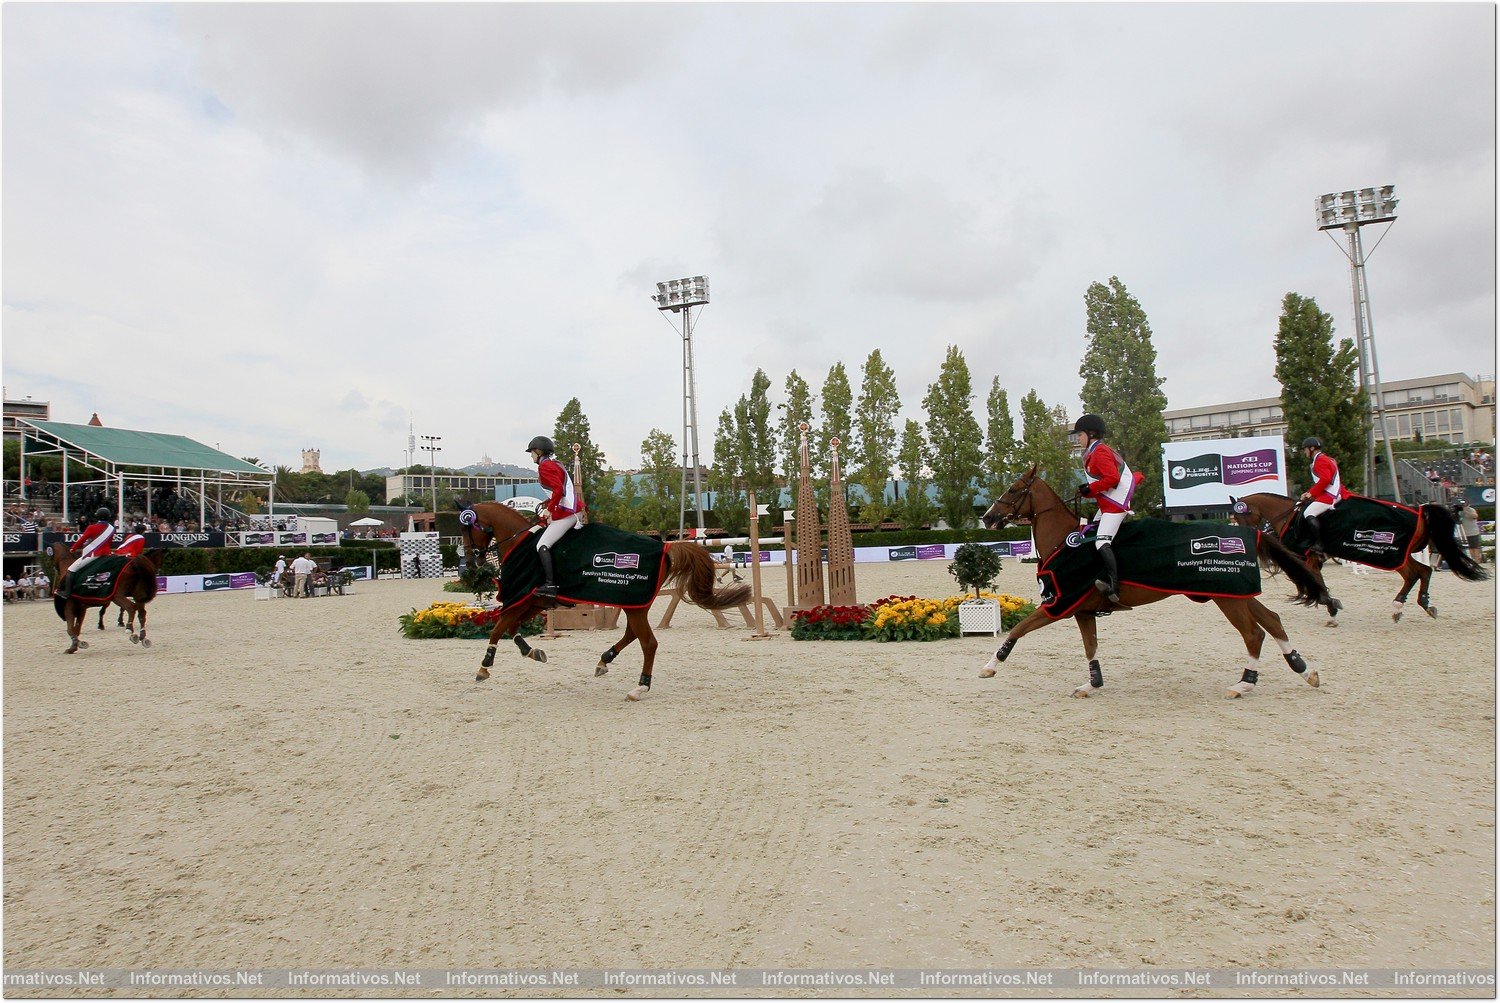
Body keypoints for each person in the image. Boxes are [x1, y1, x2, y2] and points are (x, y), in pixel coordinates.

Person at [1073, 414, 1143, 604]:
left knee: (1101, 542)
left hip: (1114, 506)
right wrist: (1087, 491)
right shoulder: (1093, 453)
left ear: (1091, 434)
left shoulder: (1100, 451)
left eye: (1079, 435)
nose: (1077, 438)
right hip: (1107, 504)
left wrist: (1091, 489)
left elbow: (1112, 479)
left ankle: (1114, 586)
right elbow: (1102, 481)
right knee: (1092, 532)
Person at [527, 435, 585, 598]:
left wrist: (549, 509)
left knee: (542, 545)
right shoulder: (554, 463)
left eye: (532, 452)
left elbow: (559, 490)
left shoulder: (545, 467)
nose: (531, 456)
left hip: (568, 512)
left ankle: (550, 584)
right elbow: (557, 490)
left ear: (539, 452)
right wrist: (548, 502)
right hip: (571, 509)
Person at [1298, 436, 1344, 555]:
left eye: (1305, 449)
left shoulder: (1320, 460)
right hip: (1333, 493)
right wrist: (1309, 492)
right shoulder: (1327, 459)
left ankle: (1319, 544)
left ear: (1312, 448)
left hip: (1330, 496)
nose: (1305, 452)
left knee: (1308, 513)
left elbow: (1325, 480)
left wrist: (1311, 494)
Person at [57, 507, 116, 598]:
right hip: (106, 554)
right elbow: (109, 543)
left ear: (97, 516)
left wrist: (73, 549)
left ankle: (66, 593)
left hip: (94, 554)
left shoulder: (92, 527)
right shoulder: (112, 529)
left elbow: (82, 540)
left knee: (71, 569)